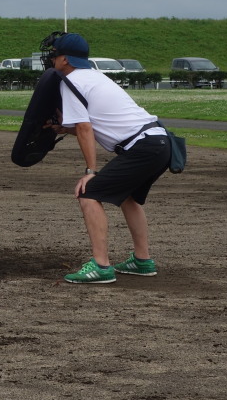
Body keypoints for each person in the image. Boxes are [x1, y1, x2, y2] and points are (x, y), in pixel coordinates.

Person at [44, 32, 170, 284]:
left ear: (65, 59)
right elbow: (91, 125)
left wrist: (90, 171)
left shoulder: (70, 82)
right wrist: (66, 129)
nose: (51, 58)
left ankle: (101, 266)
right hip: (160, 141)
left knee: (88, 193)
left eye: (54, 54)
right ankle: (142, 261)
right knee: (128, 197)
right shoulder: (94, 76)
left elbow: (85, 128)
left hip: (142, 146)